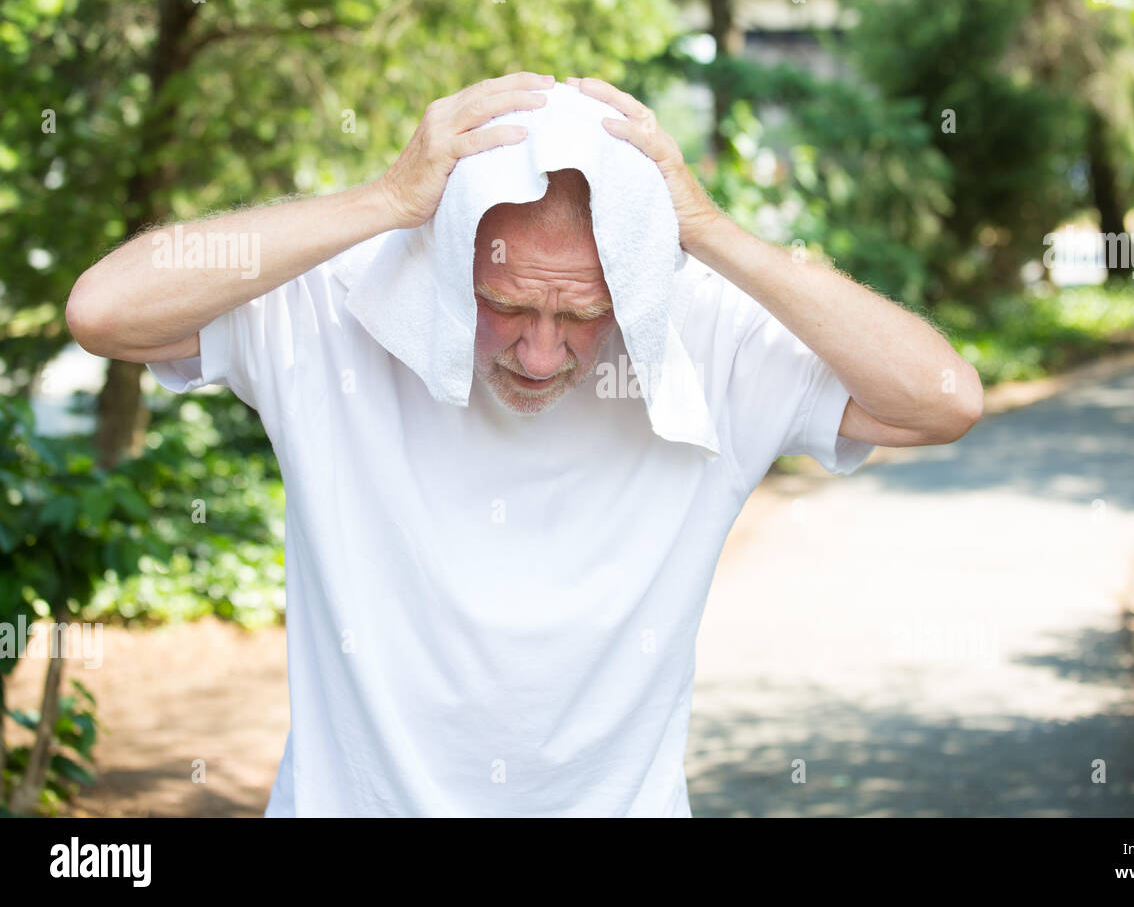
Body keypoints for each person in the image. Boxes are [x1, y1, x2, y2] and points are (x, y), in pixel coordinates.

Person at [66, 71, 983, 816]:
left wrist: (705, 230)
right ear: (447, 255)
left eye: (583, 314)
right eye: (504, 304)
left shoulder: (708, 342)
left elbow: (941, 401)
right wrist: (385, 200)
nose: (541, 353)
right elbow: (105, 312)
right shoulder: (338, 307)